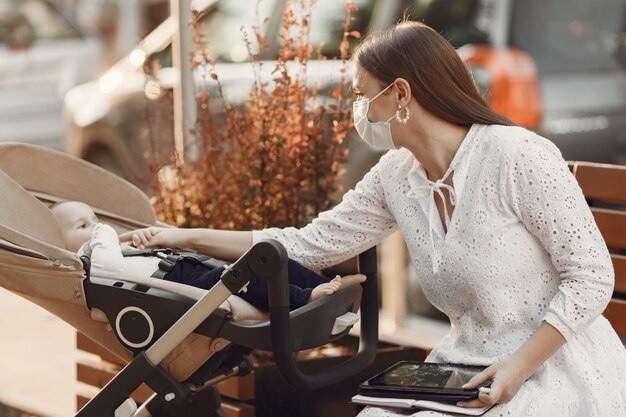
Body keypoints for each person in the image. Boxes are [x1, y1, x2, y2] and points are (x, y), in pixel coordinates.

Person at [121, 20, 626, 416]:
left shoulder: (517, 156)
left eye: (364, 96)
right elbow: (307, 244)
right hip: (465, 368)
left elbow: (591, 276)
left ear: (402, 95)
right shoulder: (396, 175)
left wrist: (518, 365)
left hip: (553, 367)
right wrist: (182, 236)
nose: (357, 112)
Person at [50, 201, 366, 312]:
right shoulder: (90, 258)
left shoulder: (114, 247)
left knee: (267, 257)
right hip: (173, 289)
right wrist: (104, 231)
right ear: (63, 245)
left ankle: (325, 284)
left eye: (94, 219)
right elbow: (107, 268)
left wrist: (143, 240)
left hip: (187, 270)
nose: (95, 226)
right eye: (83, 225)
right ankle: (305, 297)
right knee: (239, 277)